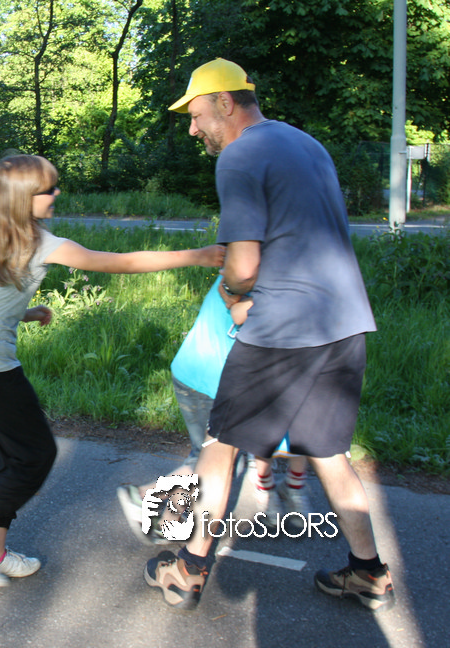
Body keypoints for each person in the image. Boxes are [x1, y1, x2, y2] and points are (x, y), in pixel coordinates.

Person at [143, 59, 394, 612]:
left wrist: (233, 298)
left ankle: (187, 569)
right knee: (329, 452)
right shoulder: (306, 144)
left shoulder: (239, 156)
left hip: (282, 330)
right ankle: (369, 572)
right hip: (343, 323)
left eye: (197, 115)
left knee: (219, 445)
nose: (193, 129)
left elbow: (243, 265)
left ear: (226, 103)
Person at [0, 154, 224, 586]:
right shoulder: (42, 243)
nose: (57, 193)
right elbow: (122, 262)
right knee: (35, 457)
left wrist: (24, 311)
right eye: (48, 189)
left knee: (15, 457)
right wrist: (197, 255)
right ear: (24, 198)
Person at [117, 277, 311, 543]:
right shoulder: (268, 282)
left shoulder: (239, 270)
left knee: (207, 456)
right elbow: (246, 316)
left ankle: (168, 521)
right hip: (212, 380)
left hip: (194, 371)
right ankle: (144, 497)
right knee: (213, 461)